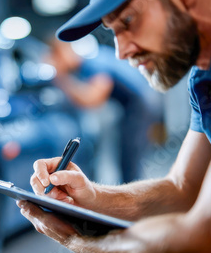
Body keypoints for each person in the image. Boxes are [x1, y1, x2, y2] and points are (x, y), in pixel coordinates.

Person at [17, 0, 211, 253]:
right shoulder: (205, 70)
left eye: (129, 21)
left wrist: (78, 241)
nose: (121, 51)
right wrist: (92, 196)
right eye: (113, 30)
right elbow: (184, 188)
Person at [47, 37, 163, 183]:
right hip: (143, 102)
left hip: (141, 105)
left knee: (130, 157)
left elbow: (92, 99)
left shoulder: (93, 63)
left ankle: (133, 198)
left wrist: (60, 78)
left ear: (63, 52)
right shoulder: (94, 59)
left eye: (55, 57)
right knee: (131, 156)